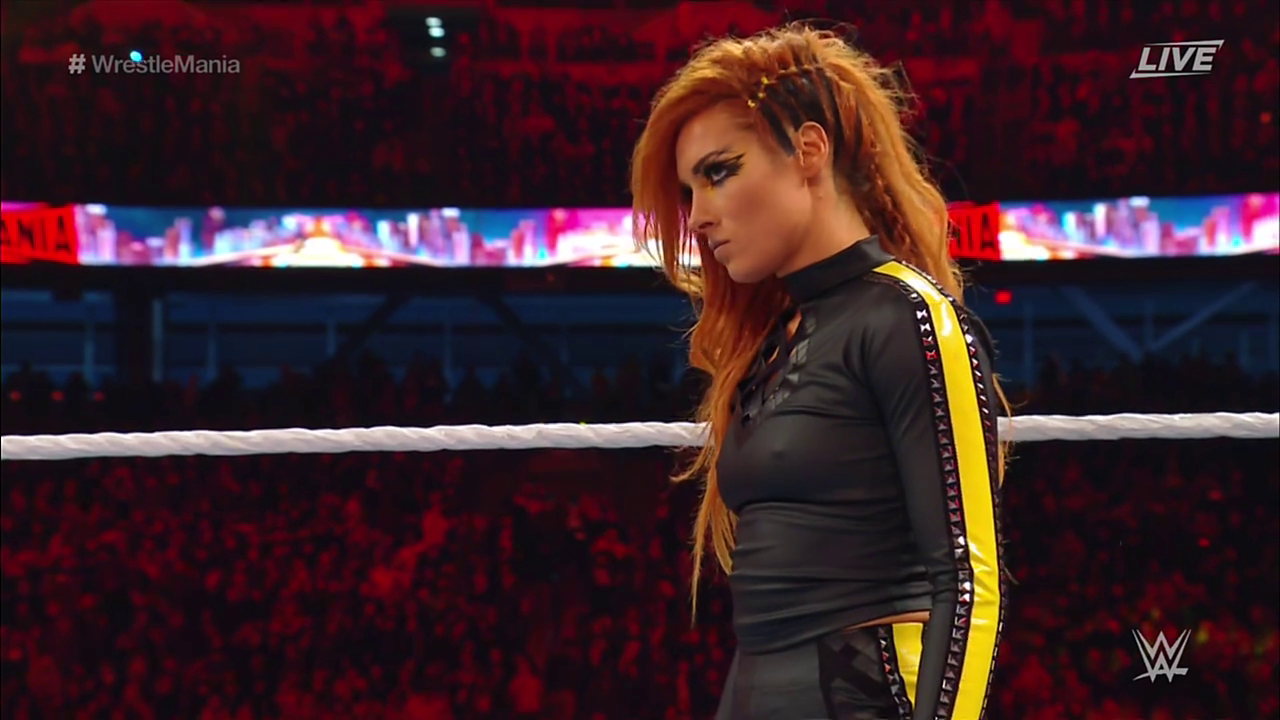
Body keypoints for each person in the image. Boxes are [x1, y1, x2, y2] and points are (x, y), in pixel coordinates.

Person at [630, 23, 1011, 720]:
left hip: (865, 692)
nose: (700, 217)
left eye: (719, 172)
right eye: (690, 191)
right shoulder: (771, 341)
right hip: (755, 686)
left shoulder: (907, 318)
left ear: (809, 150)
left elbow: (967, 583)